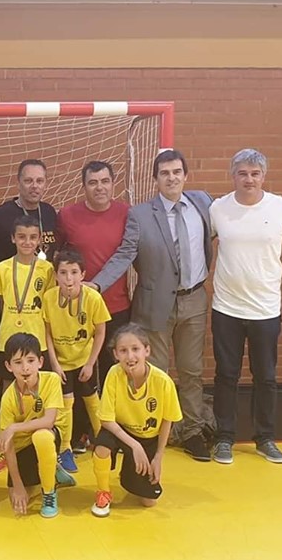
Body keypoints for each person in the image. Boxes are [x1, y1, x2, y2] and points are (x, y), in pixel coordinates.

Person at [89, 150, 214, 462]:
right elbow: (125, 253)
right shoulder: (140, 214)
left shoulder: (204, 203)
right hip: (154, 305)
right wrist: (96, 285)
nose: (171, 178)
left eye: (176, 172)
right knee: (153, 373)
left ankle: (193, 430)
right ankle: (155, 434)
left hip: (194, 299)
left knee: (191, 370)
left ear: (186, 175)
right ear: (155, 179)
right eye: (164, 173)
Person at [210, 148, 282, 465]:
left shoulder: (281, 207)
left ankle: (265, 438)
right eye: (242, 173)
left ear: (263, 176)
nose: (248, 179)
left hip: (266, 310)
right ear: (232, 175)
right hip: (226, 308)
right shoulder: (218, 208)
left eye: (254, 173)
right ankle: (224, 438)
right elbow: (207, 247)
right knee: (226, 375)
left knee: (265, 377)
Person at [90, 324, 183, 518]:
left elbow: (167, 420)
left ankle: (129, 473)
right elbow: (106, 419)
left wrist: (158, 456)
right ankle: (103, 492)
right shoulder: (114, 374)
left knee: (148, 502)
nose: (130, 356)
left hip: (148, 436)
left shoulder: (163, 381)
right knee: (101, 447)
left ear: (147, 350)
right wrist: (134, 446)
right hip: (120, 430)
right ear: (115, 354)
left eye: (135, 349)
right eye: (123, 351)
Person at [0, 214, 55, 473]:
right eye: (22, 237)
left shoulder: (47, 270)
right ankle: (3, 447)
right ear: (13, 238)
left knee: (39, 391)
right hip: (8, 338)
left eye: (32, 237)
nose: (27, 242)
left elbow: (49, 306)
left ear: (39, 240)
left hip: (37, 338)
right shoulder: (2, 268)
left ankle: (42, 444)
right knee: (8, 393)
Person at [57, 161, 131, 389]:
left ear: (113, 184)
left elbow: (129, 252)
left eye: (105, 181)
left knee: (114, 369)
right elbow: (57, 257)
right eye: (93, 182)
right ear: (83, 186)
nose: (100, 187)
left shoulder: (127, 213)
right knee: (79, 372)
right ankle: (80, 423)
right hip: (76, 310)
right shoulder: (67, 215)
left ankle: (113, 423)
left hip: (115, 307)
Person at [43, 248, 110, 474]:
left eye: (73, 272)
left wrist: (91, 363)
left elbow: (100, 331)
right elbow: (48, 333)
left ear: (83, 274)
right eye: (63, 273)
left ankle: (104, 442)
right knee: (66, 403)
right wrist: (54, 363)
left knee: (92, 400)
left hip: (84, 359)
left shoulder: (93, 298)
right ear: (56, 275)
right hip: (61, 361)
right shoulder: (49, 298)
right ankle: (65, 449)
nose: (68, 278)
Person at [0, 333, 63, 518]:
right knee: (16, 498)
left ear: (41, 362)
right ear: (8, 366)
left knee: (41, 435)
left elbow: (49, 420)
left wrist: (14, 428)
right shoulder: (8, 398)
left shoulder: (51, 380)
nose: (25, 367)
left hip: (46, 438)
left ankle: (49, 492)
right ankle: (53, 473)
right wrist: (17, 485)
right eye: (18, 362)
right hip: (21, 448)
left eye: (31, 360)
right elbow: (8, 446)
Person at [0, 159, 58, 264]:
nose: (35, 186)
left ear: (45, 184)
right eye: (28, 181)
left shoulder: (49, 212)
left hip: (43, 278)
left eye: (39, 181)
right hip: (10, 279)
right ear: (18, 183)